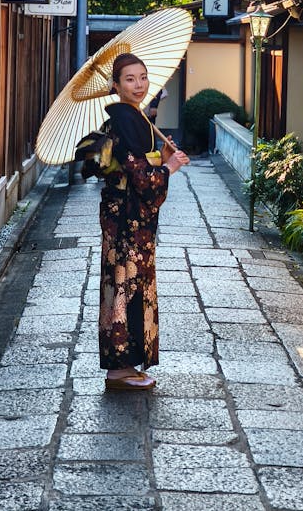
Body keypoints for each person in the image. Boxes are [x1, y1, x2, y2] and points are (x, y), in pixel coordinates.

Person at [99, 52, 190, 391]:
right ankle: (119, 366)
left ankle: (125, 364)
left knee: (129, 284)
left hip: (130, 216)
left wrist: (163, 158)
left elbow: (143, 164)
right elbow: (139, 177)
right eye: (130, 79)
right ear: (116, 85)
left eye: (142, 77)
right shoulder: (123, 118)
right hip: (126, 218)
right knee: (125, 285)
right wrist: (168, 169)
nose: (139, 85)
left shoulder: (135, 116)